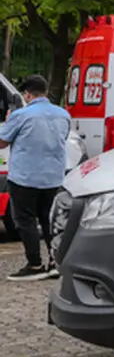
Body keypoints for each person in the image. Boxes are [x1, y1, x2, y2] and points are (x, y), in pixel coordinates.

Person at [0, 75, 70, 281]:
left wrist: (7, 122)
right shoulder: (63, 114)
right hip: (53, 177)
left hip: (25, 177)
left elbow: (2, 142)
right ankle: (55, 262)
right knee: (49, 219)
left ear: (28, 95)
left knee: (25, 220)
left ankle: (35, 264)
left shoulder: (20, 115)